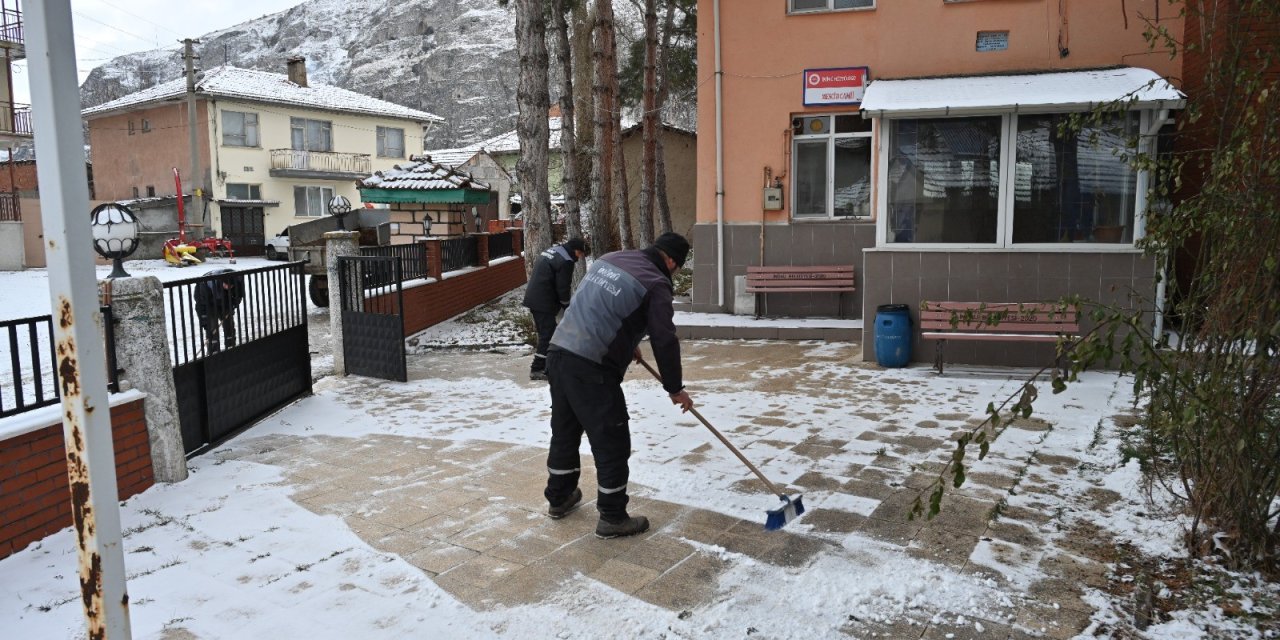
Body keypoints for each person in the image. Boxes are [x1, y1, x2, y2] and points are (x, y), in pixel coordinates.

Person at [542, 232, 694, 539]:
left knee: (566, 431)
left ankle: (559, 498)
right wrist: (674, 387)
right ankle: (612, 516)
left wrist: (625, 344)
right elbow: (665, 340)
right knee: (611, 440)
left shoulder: (612, 259)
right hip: (591, 368)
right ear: (672, 261)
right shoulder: (656, 282)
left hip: (559, 353)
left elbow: (595, 306)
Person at [522, 237, 588, 380]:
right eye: (580, 254)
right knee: (547, 335)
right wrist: (566, 306)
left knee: (547, 333)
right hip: (543, 301)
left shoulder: (553, 251)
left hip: (535, 297)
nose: (580, 257)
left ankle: (547, 366)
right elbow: (563, 287)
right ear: (576, 250)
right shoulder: (566, 261)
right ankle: (537, 369)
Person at [194, 268, 243, 354]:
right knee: (212, 328)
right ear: (221, 282)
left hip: (224, 300)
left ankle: (231, 346)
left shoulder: (238, 281)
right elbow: (201, 305)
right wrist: (205, 321)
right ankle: (213, 351)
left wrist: (233, 305)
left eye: (230, 286)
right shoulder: (205, 285)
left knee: (229, 324)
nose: (228, 287)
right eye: (226, 285)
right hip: (208, 303)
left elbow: (238, 296)